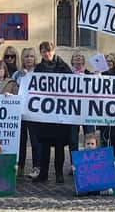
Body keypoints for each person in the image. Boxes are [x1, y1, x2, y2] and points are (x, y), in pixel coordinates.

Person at [33, 41, 73, 184]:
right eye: (44, 52)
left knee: (59, 145)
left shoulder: (63, 66)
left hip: (59, 113)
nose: (47, 54)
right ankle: (43, 173)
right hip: (45, 113)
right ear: (41, 53)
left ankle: (59, 174)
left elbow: (72, 84)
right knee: (44, 145)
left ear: (54, 51)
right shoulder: (38, 68)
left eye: (49, 51)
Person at [12, 48, 41, 179]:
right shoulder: (16, 74)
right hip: (19, 112)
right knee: (20, 141)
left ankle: (36, 167)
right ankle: (20, 167)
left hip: (34, 112)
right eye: (26, 56)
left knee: (35, 141)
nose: (29, 59)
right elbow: (13, 89)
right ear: (22, 59)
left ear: (35, 59)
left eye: (31, 56)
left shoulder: (40, 72)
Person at [69, 52, 94, 156]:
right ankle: (74, 164)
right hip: (72, 110)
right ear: (72, 61)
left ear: (83, 60)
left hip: (87, 110)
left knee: (90, 138)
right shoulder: (66, 74)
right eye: (76, 56)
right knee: (73, 139)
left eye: (80, 56)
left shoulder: (90, 74)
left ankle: (91, 162)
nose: (78, 58)